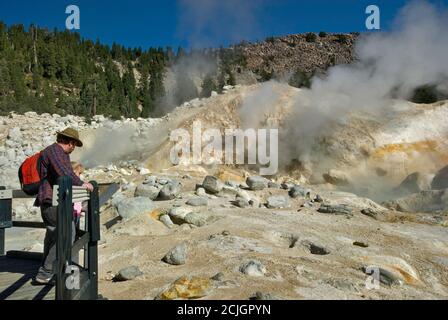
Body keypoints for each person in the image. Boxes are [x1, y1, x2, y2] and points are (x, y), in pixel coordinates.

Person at [34, 128, 93, 285]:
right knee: (67, 234)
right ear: (71, 143)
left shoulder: (53, 152)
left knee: (54, 236)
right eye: (74, 145)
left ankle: (49, 272)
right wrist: (82, 183)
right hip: (52, 202)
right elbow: (64, 173)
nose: (73, 149)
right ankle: (47, 272)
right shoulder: (55, 151)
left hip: (51, 202)